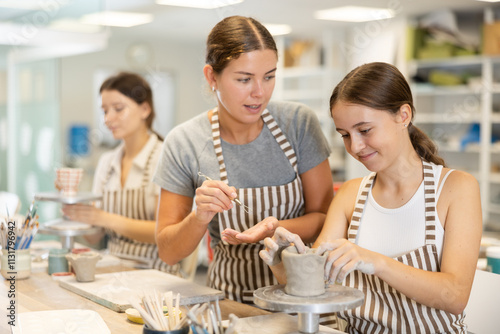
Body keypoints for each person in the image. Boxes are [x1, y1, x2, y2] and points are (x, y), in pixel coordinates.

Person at [260, 62, 482, 333]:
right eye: (345, 135)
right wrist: (283, 261)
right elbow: (313, 283)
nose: (355, 146)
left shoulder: (456, 188)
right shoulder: (351, 195)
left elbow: (455, 296)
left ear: (403, 115)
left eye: (364, 130)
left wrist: (376, 262)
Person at [153, 15, 333, 303]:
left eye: (269, 76)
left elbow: (326, 219)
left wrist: (275, 228)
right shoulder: (184, 142)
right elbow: (168, 251)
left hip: (303, 298)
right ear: (212, 77)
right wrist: (198, 217)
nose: (259, 92)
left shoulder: (298, 124)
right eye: (244, 79)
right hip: (231, 304)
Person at [61, 72, 180, 275]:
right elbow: (95, 236)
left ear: (144, 109)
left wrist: (105, 218)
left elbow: (168, 235)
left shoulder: (165, 157)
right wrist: (75, 206)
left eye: (118, 109)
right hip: (113, 271)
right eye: (105, 111)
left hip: (157, 274)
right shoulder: (107, 162)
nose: (108, 119)